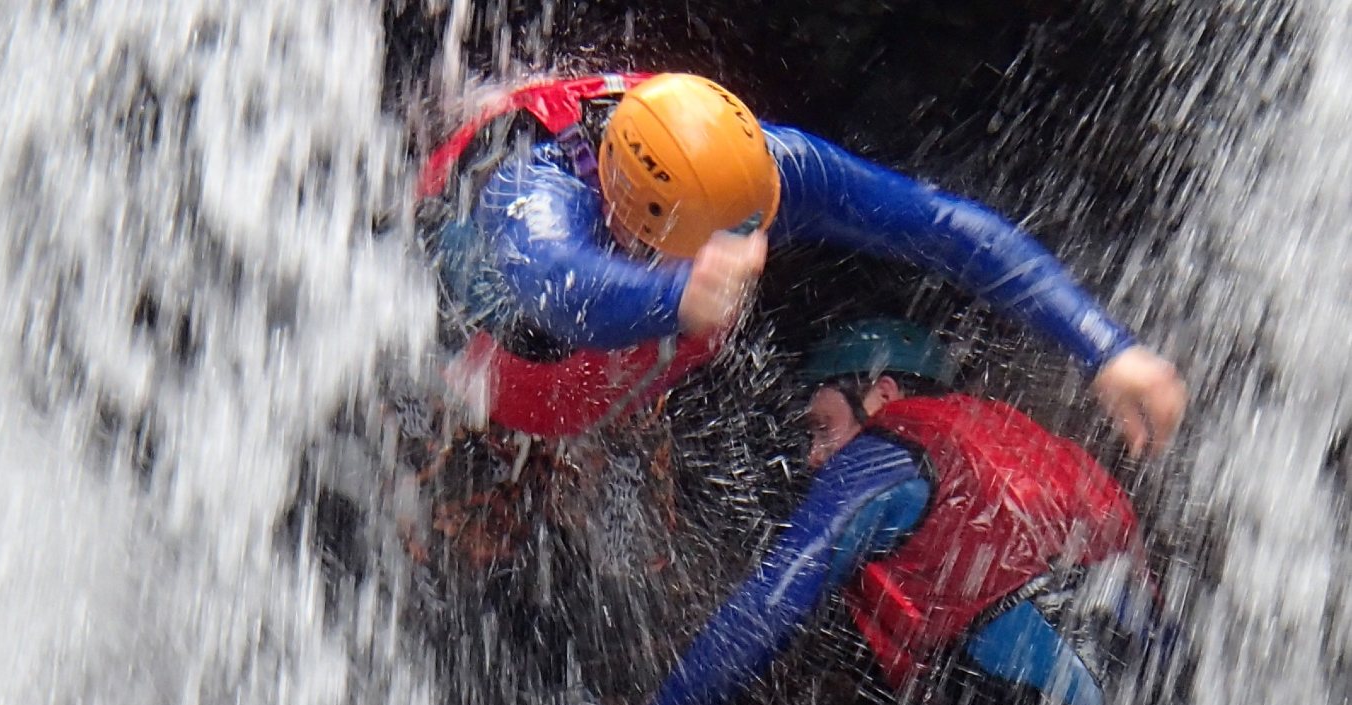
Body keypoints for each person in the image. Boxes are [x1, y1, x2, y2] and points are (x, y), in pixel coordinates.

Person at [419, 71, 1186, 456]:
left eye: (756, 228)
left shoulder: (767, 172)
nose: (754, 250)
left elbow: (946, 229)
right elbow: (558, 288)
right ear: (632, 218)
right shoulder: (532, 194)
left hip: (620, 315)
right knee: (477, 295)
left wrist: (1104, 348)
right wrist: (676, 296)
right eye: (727, 242)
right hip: (468, 304)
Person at [575, 318, 1167, 705]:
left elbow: (771, 602)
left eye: (823, 426)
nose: (814, 458)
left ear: (882, 394)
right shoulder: (1043, 452)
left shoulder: (892, 445)